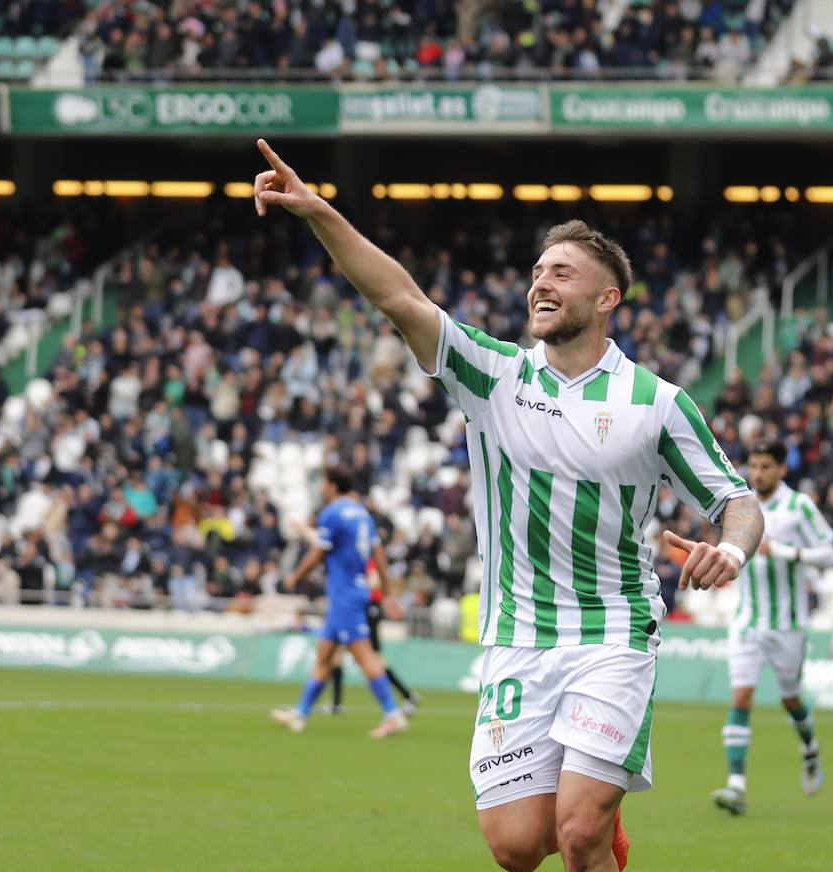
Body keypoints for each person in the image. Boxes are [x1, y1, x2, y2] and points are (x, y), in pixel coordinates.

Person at [253, 139, 763, 872]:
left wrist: (733, 548)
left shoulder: (656, 404)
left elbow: (737, 501)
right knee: (516, 847)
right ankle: (602, 824)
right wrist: (317, 213)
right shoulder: (492, 376)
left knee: (579, 835)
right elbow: (399, 298)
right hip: (517, 637)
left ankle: (599, 824)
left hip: (611, 633)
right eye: (537, 272)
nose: (541, 284)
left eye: (562, 272)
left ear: (605, 299)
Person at [711, 441, 833, 816]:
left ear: (781, 468)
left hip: (788, 626)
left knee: (790, 699)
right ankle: (736, 786)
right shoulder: (740, 505)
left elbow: (829, 553)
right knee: (741, 698)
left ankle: (809, 747)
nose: (758, 473)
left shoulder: (799, 507)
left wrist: (787, 552)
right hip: (748, 621)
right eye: (754, 465)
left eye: (766, 466)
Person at [269, 465, 410, 738]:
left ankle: (393, 714)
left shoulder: (332, 513)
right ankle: (299, 714)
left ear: (332, 486)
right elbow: (378, 554)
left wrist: (295, 577)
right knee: (324, 656)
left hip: (345, 596)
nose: (321, 488)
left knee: (364, 656)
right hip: (348, 594)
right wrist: (388, 592)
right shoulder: (362, 514)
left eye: (323, 482)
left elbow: (318, 553)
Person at [323, 553, 420, 717]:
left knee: (372, 658)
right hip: (354, 610)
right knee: (337, 655)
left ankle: (406, 696)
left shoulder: (369, 559)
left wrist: (354, 587)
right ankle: (336, 703)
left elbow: (375, 582)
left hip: (368, 611)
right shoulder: (358, 558)